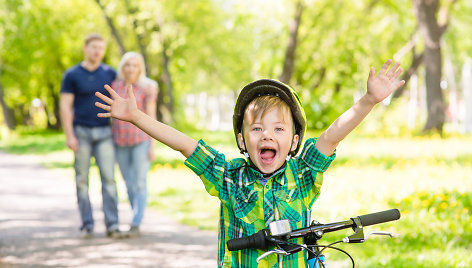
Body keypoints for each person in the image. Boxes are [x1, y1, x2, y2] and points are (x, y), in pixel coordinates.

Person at [95, 59, 405, 266]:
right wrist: (136, 116)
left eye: (278, 129)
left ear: (294, 142)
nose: (266, 135)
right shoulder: (229, 176)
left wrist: (367, 101)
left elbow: (331, 137)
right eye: (256, 129)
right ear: (242, 141)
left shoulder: (304, 175)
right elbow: (186, 146)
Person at [60, 33, 122, 238]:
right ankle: (87, 224)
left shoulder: (110, 73)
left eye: (101, 48)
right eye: (94, 47)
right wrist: (69, 135)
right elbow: (65, 106)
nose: (97, 51)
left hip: (105, 132)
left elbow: (130, 85)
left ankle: (112, 224)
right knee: (82, 180)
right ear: (85, 48)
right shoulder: (72, 75)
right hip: (81, 133)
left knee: (109, 179)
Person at [110, 52, 158, 237]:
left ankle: (136, 222)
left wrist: (153, 145)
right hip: (120, 141)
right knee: (128, 183)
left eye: (135, 65)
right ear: (123, 67)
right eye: (127, 65)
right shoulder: (115, 86)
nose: (131, 68)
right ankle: (136, 215)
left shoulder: (148, 87)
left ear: (140, 68)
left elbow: (151, 117)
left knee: (139, 182)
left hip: (141, 141)